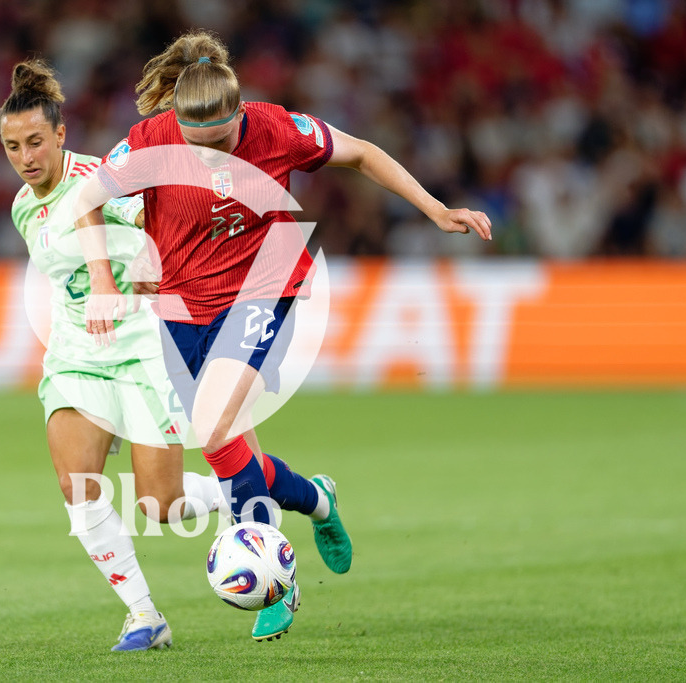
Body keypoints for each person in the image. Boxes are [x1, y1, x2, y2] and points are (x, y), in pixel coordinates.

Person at [77, 31, 492, 641]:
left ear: (239, 116)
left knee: (213, 427)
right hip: (182, 306)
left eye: (220, 143)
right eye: (195, 144)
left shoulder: (276, 128)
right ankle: (317, 499)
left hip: (263, 290)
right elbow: (86, 199)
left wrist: (435, 209)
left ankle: (278, 580)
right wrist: (103, 278)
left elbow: (362, 154)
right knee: (228, 448)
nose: (208, 158)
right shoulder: (150, 140)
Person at [0, 59, 226, 652]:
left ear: (61, 134)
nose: (25, 157)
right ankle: (144, 615)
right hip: (77, 355)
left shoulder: (97, 179)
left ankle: (245, 489)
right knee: (76, 484)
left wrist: (146, 258)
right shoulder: (23, 207)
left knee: (160, 504)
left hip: (145, 349)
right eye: (13, 146)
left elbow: (152, 222)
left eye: (35, 142)